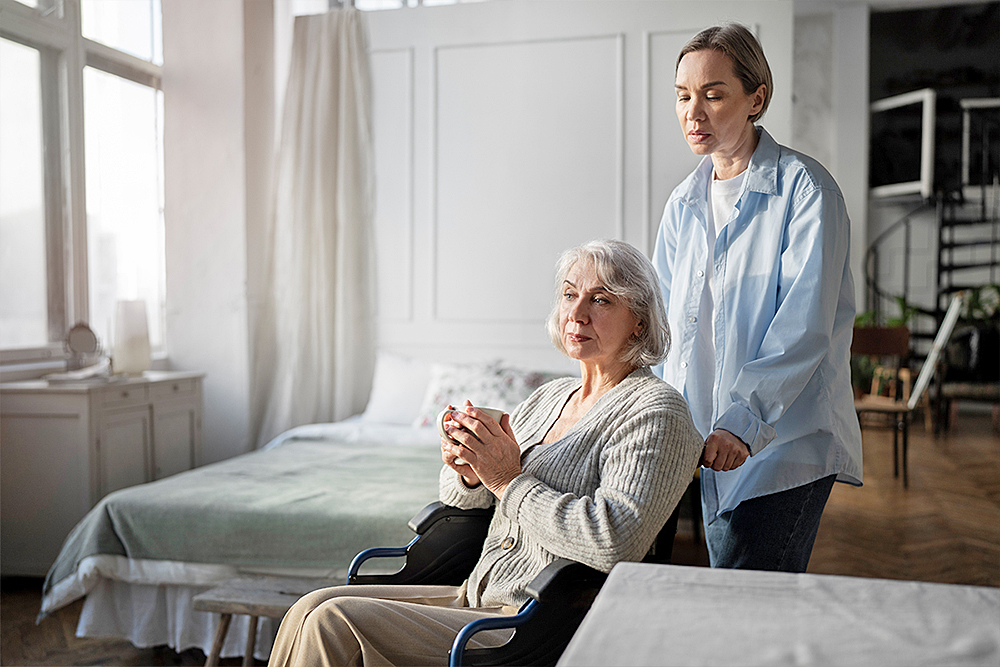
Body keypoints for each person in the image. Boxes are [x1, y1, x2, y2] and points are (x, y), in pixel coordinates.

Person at [267, 240, 703, 667]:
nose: (576, 312)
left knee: (332, 621)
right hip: (475, 594)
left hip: (534, 621)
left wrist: (506, 480)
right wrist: (468, 469)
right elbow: (465, 504)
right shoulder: (550, 396)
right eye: (570, 294)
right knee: (312, 605)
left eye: (601, 300)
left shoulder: (655, 410)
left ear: (639, 322)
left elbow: (613, 542)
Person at [651, 23, 863, 573]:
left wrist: (744, 420)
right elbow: (664, 329)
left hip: (782, 444)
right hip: (706, 442)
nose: (693, 112)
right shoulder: (682, 204)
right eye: (683, 96)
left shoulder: (807, 189)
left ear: (756, 99)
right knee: (728, 600)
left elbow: (804, 327)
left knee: (750, 599)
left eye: (714, 94)